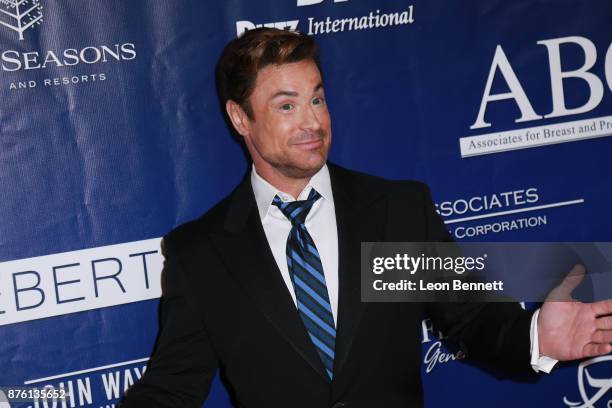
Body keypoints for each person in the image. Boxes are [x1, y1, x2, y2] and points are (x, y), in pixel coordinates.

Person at [120, 28, 612, 408]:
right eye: (286, 105)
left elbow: (472, 319)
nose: (313, 121)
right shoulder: (202, 253)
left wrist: (534, 337)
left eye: (316, 97)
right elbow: (172, 386)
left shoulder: (396, 212)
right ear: (240, 118)